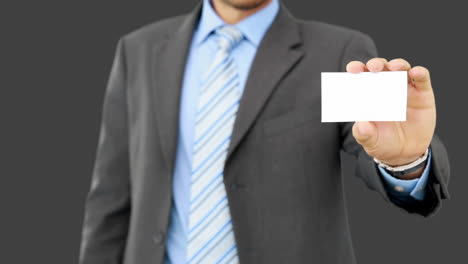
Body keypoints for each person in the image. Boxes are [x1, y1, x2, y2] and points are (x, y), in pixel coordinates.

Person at [79, 0, 450, 263]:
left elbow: (379, 139)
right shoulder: (139, 50)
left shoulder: (337, 51)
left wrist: (406, 162)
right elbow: (111, 196)